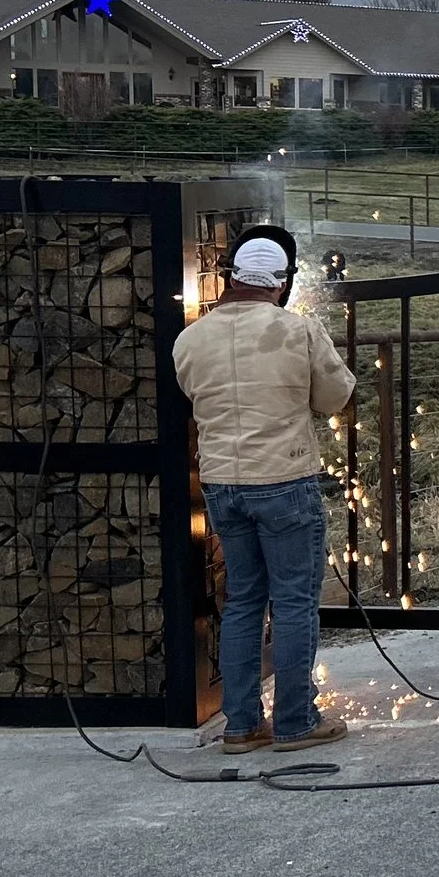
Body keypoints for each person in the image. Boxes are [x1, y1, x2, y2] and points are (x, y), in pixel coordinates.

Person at [172, 235, 356, 754]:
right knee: (295, 602)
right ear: (281, 283)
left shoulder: (191, 339)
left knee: (244, 603)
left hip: (223, 486)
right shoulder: (296, 330)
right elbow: (335, 396)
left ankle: (241, 726)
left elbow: (192, 395)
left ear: (232, 278)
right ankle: (296, 723)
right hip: (283, 480)